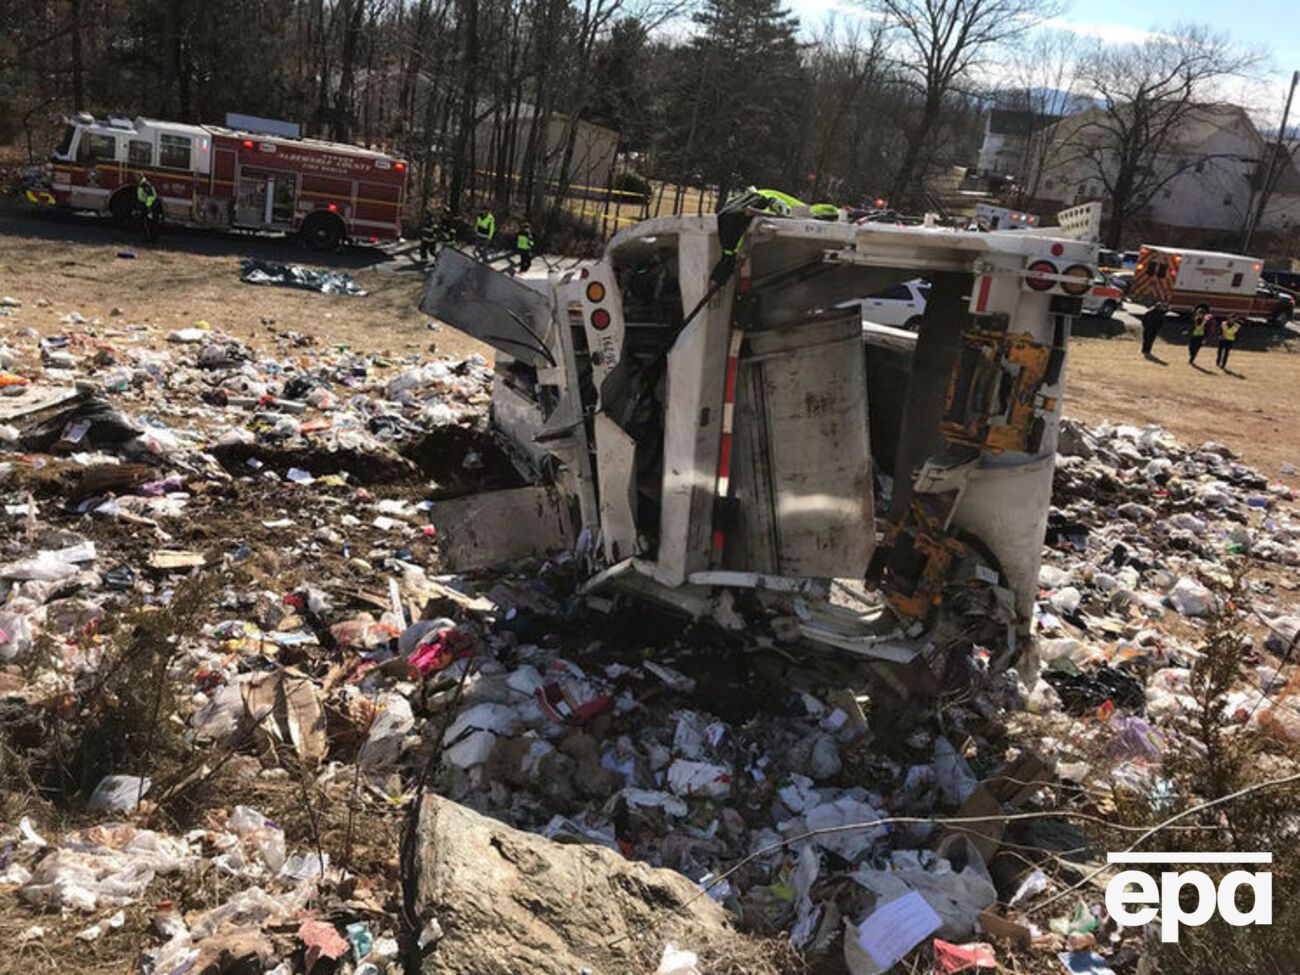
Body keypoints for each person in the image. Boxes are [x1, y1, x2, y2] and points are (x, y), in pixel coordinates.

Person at [137, 175, 160, 243]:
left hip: (149, 206)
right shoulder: (143, 184)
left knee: (149, 224)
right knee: (146, 223)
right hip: (147, 205)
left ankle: (150, 239)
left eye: (136, 176)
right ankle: (148, 238)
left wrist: (148, 207)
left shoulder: (145, 185)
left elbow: (151, 196)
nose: (135, 177)